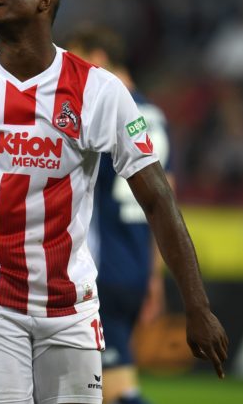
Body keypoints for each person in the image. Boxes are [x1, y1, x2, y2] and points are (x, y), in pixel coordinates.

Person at [0, 0, 228, 404]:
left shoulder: (99, 92)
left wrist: (197, 306)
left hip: (71, 308)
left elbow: (159, 199)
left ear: (44, 1)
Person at [66, 25, 171, 404]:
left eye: (77, 62)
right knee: (105, 378)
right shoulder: (154, 115)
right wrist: (154, 276)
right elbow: (165, 195)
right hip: (135, 262)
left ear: (98, 60)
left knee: (109, 388)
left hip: (100, 263)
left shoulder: (104, 112)